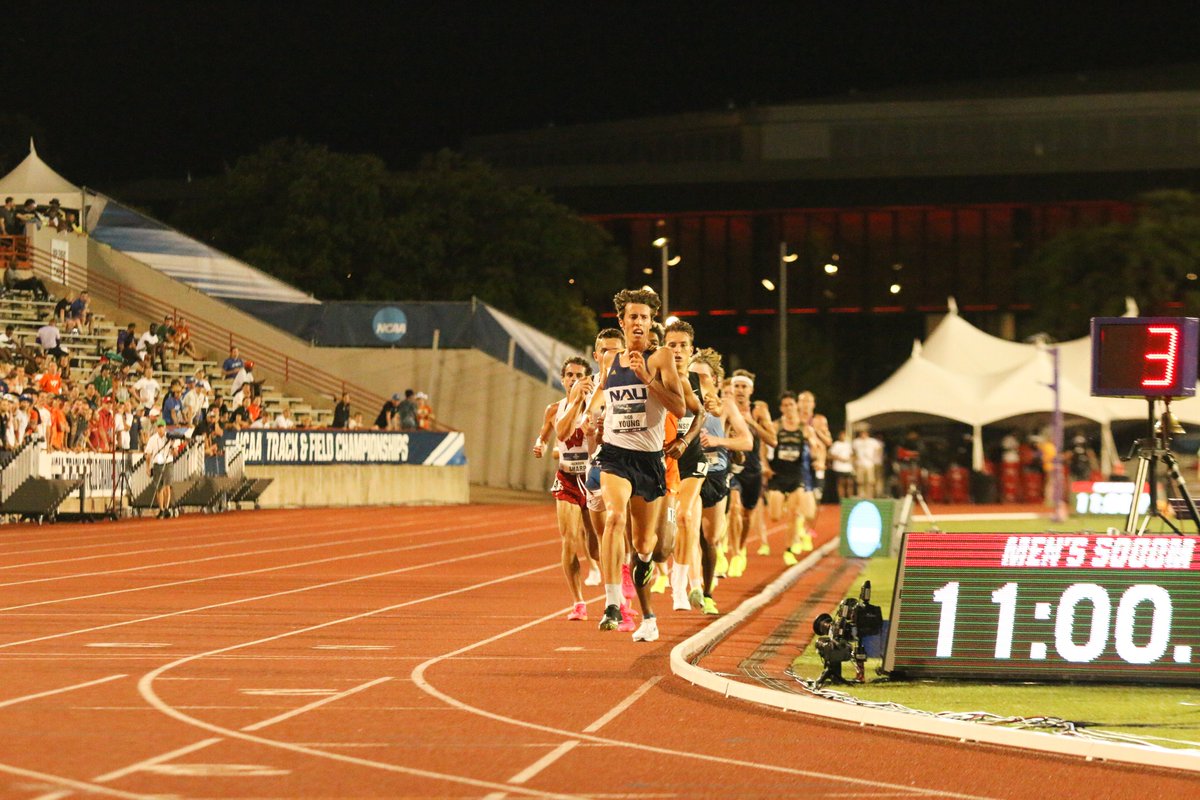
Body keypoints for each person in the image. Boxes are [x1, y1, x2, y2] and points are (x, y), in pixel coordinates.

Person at [585, 288, 686, 641]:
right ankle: (612, 602)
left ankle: (649, 616)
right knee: (613, 517)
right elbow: (604, 400)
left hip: (649, 460)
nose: (639, 322)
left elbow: (679, 408)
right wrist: (593, 418)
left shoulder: (660, 358)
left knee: (646, 547)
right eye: (633, 317)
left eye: (644, 317)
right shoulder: (609, 361)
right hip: (615, 454)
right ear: (622, 321)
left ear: (651, 321)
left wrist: (646, 378)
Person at [534, 357, 595, 621]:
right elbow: (546, 434)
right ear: (562, 379)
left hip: (593, 479)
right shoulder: (554, 409)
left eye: (579, 375)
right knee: (569, 540)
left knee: (596, 544)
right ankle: (578, 601)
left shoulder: (596, 407)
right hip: (567, 479)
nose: (573, 379)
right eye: (569, 375)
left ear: (588, 380)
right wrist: (540, 446)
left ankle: (614, 590)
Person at [145, 417, 174, 518]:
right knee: (159, 487)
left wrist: (173, 446)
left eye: (162, 427)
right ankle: (161, 508)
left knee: (167, 486)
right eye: (159, 427)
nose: (161, 429)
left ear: (165, 427)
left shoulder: (170, 437)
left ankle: (166, 507)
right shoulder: (153, 439)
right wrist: (148, 467)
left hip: (168, 462)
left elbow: (174, 452)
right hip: (157, 463)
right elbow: (148, 454)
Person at [853, 427, 882, 498]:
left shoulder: (872, 441)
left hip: (870, 464)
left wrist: (875, 458)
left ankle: (870, 495)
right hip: (860, 464)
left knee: (870, 481)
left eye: (864, 433)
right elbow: (853, 451)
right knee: (860, 481)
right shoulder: (856, 442)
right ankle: (861, 495)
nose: (863, 435)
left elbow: (879, 449)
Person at [830, 429, 855, 501]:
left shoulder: (848, 444)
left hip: (848, 467)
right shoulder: (836, 444)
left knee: (849, 483)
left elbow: (853, 454)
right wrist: (839, 458)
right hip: (839, 467)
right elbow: (831, 455)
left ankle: (849, 497)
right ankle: (841, 498)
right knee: (841, 482)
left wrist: (850, 459)